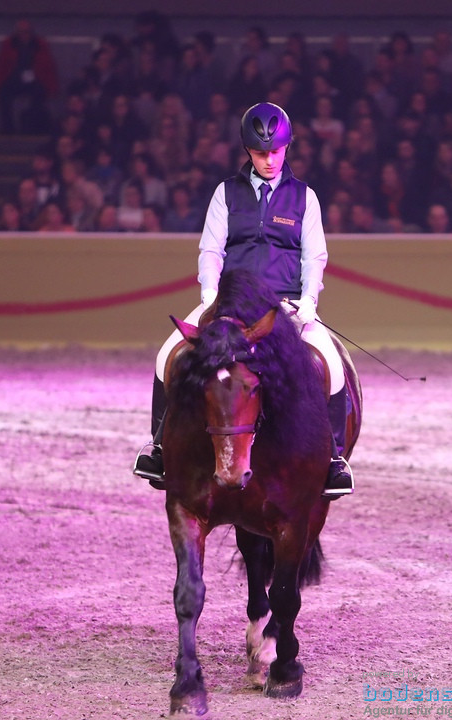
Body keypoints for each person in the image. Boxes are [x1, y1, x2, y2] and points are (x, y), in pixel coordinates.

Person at [132, 102, 355, 499]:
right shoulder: (226, 193)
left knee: (331, 364)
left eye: (275, 151)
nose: (268, 160)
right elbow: (211, 249)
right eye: (260, 153)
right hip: (229, 303)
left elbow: (314, 255)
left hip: (283, 305)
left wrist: (308, 301)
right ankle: (160, 447)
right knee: (167, 352)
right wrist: (210, 294)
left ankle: (335, 458)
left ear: (288, 148)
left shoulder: (306, 198)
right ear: (247, 151)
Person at [0, 19, 59, 135]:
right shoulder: (8, 44)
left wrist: (52, 87)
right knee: (4, 94)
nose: (24, 34)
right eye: (21, 31)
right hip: (14, 78)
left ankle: (33, 128)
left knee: (40, 94)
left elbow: (49, 66)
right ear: (16, 32)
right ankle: (8, 129)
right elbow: (1, 65)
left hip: (35, 79)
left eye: (26, 31)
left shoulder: (41, 44)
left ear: (31, 32)